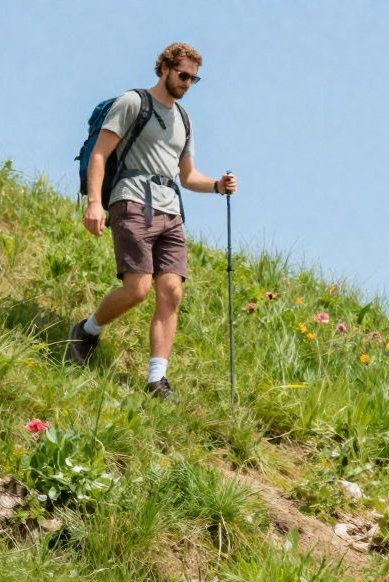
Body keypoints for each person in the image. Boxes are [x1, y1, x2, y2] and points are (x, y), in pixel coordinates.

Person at [67, 42, 236, 398]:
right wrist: (94, 203)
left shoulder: (185, 120)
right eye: (183, 75)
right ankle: (87, 330)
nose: (187, 83)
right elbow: (100, 154)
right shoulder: (132, 103)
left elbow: (187, 176)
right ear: (165, 69)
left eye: (194, 78)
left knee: (172, 291)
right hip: (131, 201)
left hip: (171, 210)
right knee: (138, 289)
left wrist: (218, 186)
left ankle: (156, 379)